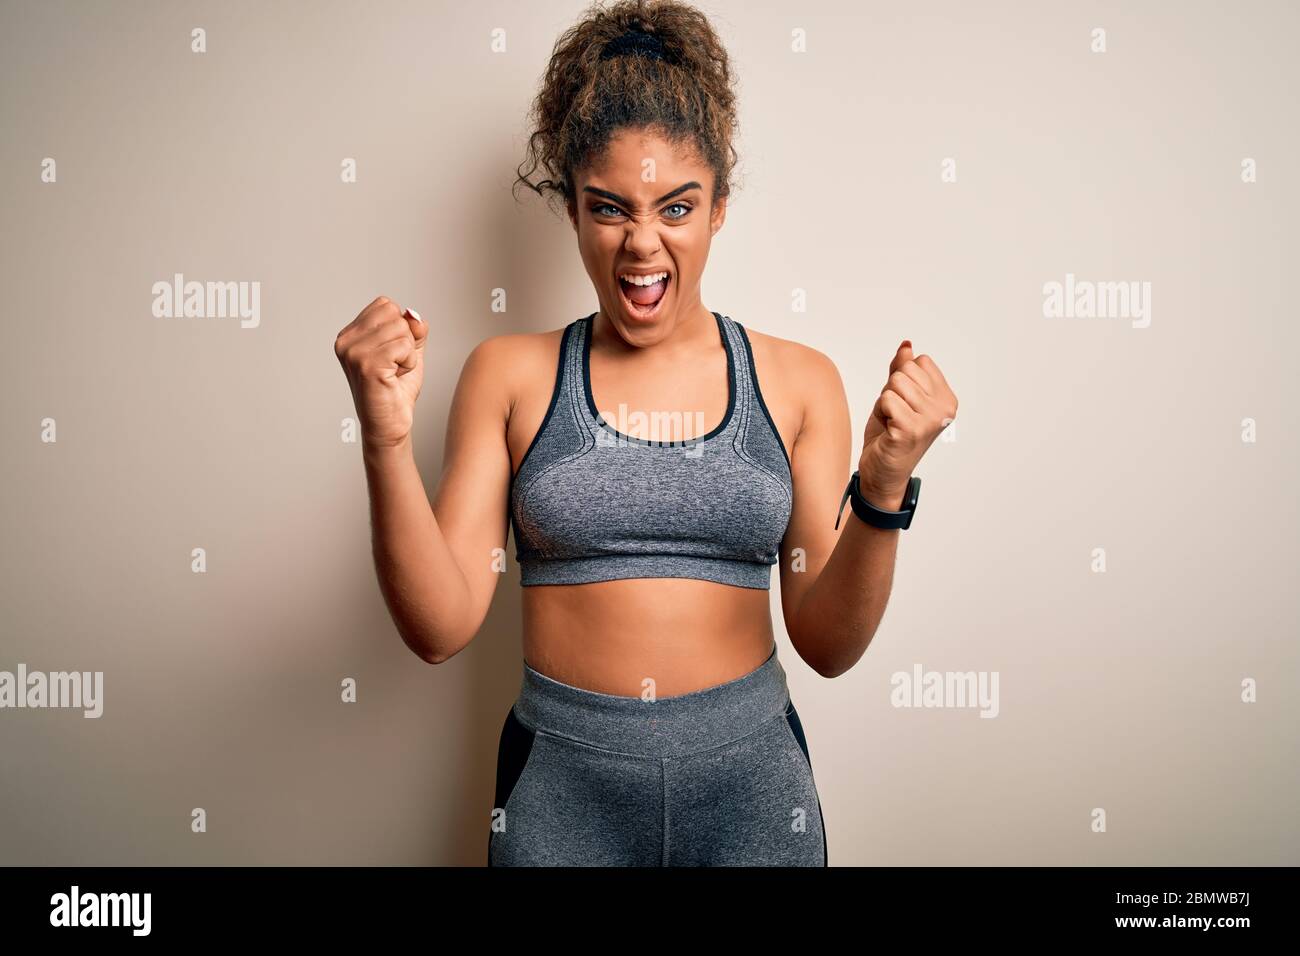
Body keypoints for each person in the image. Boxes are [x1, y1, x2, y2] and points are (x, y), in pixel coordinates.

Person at [332, 0, 958, 867]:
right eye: (609, 208)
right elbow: (439, 628)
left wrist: (884, 486)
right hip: (560, 798)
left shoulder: (798, 381)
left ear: (718, 210)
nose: (642, 244)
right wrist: (382, 439)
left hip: (754, 799)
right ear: (573, 210)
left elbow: (827, 643)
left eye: (677, 207)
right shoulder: (509, 377)